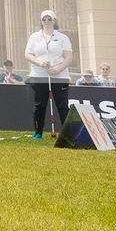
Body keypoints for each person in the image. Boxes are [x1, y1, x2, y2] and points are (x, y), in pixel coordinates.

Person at [23, 9, 73, 139]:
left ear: (54, 21)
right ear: (41, 21)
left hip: (59, 76)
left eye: (49, 19)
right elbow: (28, 54)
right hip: (39, 75)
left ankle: (68, 133)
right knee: (39, 105)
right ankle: (38, 132)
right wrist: (39, 62)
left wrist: (58, 69)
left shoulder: (63, 37)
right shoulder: (34, 37)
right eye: (44, 19)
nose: (46, 21)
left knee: (62, 105)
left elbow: (68, 57)